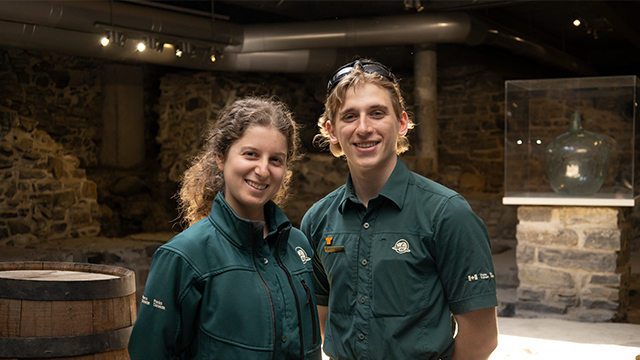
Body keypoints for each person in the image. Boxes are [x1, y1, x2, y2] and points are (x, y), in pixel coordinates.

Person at [300, 59, 498, 360]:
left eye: (377, 113)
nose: (363, 128)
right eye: (349, 116)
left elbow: (481, 339)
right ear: (332, 131)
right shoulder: (317, 221)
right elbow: (323, 318)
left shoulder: (448, 214)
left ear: (402, 122)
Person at [128, 96, 322, 359]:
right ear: (221, 157)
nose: (263, 170)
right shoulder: (183, 256)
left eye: (276, 159)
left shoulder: (298, 245)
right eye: (250, 154)